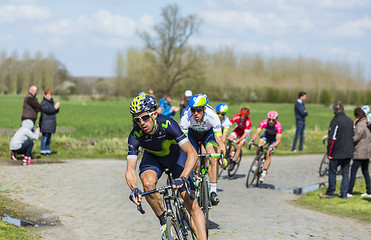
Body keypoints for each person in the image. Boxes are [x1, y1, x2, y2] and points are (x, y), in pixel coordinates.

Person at [126, 94, 206, 240]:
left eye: (144, 117)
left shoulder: (167, 124)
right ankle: (164, 221)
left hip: (177, 158)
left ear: (154, 114)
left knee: (190, 202)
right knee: (148, 183)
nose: (141, 122)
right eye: (137, 119)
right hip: (154, 159)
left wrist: (183, 177)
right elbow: (130, 170)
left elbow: (192, 153)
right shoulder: (135, 135)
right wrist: (134, 189)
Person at [179, 94, 226, 205]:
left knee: (212, 156)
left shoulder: (212, 116)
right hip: (192, 136)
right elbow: (183, 142)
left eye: (199, 110)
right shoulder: (186, 116)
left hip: (208, 135)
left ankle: (213, 191)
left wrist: (222, 156)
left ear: (204, 109)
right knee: (192, 159)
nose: (195, 113)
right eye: (193, 110)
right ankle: (193, 182)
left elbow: (219, 140)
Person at [319, 101, 354, 199]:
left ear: (334, 111)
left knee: (332, 171)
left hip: (337, 152)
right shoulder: (350, 121)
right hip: (348, 152)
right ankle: (344, 194)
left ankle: (330, 192)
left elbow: (332, 139)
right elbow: (353, 136)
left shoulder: (335, 121)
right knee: (345, 173)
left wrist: (329, 153)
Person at [249, 111, 282, 183]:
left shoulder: (278, 126)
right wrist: (252, 140)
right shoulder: (264, 122)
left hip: (273, 139)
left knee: (268, 154)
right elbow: (257, 132)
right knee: (259, 145)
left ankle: (264, 172)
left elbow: (278, 140)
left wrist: (272, 147)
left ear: (276, 119)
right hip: (266, 136)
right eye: (269, 119)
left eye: (273, 120)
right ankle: (257, 160)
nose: (271, 121)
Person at [348, 108, 371, 198]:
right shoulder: (367, 123)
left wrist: (349, 139)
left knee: (353, 171)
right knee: (365, 171)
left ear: (356, 116)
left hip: (360, 152)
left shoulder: (360, 124)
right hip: (367, 152)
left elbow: (356, 138)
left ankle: (349, 191)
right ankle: (369, 191)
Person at [39, 89, 60, 156]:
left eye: (50, 95)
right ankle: (43, 151)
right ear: (45, 95)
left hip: (51, 123)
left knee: (49, 138)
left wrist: (57, 108)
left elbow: (54, 111)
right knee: (44, 138)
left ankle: (47, 151)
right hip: (45, 122)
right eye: (48, 95)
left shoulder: (51, 102)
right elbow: (48, 110)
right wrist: (55, 107)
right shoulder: (43, 103)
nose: (49, 96)